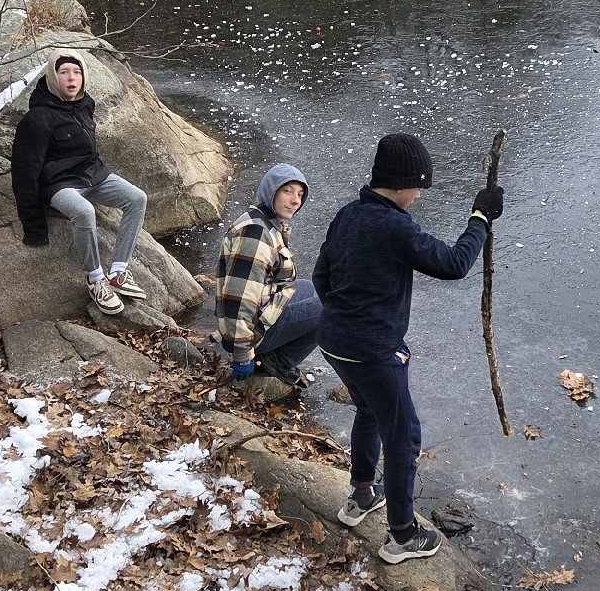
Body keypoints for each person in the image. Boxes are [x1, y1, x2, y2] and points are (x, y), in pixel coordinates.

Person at [313, 132, 504, 564]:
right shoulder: (396, 226)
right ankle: (401, 534)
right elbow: (455, 264)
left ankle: (362, 494)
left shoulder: (349, 215)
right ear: (402, 183)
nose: (421, 194)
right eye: (420, 185)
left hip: (333, 341)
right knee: (404, 436)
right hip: (372, 351)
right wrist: (480, 217)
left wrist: (347, 322)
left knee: (368, 410)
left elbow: (321, 275)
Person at [10, 52, 148, 316]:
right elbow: (24, 173)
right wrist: (34, 228)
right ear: (53, 77)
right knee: (85, 211)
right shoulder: (37, 119)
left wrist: (100, 172)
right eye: (64, 72)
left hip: (91, 174)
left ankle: (118, 271)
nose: (71, 78)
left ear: (84, 76)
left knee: (137, 198)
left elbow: (89, 147)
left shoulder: (86, 103)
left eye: (76, 72)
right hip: (59, 184)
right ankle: (95, 279)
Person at [215, 163, 320, 388]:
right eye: (287, 191)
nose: (295, 200)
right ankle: (279, 360)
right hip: (252, 331)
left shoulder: (265, 222)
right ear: (270, 192)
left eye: (300, 194)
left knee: (311, 288)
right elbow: (239, 298)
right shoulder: (255, 233)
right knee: (333, 307)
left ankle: (273, 354)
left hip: (261, 313)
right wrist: (242, 355)